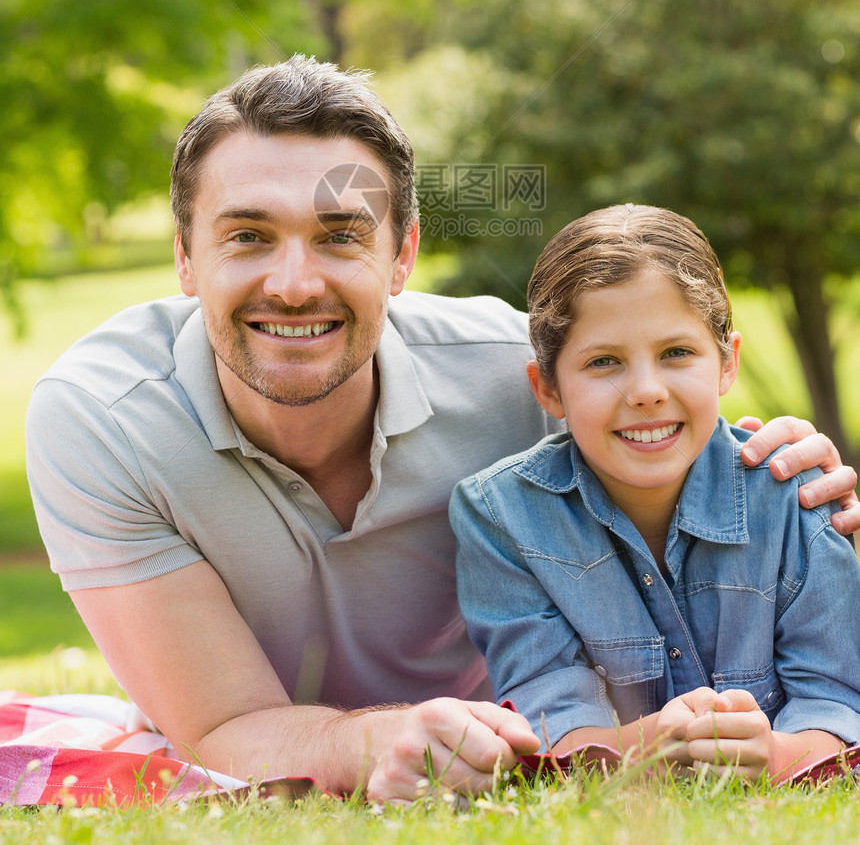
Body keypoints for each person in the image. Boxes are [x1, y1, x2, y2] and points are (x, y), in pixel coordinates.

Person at [25, 58, 860, 802]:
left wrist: (779, 468)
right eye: (247, 236)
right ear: (182, 257)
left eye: (339, 237)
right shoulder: (102, 421)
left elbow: (666, 428)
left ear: (402, 256)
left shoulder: (515, 375)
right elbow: (220, 728)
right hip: (339, 733)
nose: (292, 282)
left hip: (519, 728)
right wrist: (371, 741)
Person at [451, 205, 860, 780]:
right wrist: (659, 741)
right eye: (604, 361)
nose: (646, 391)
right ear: (547, 387)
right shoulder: (500, 516)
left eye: (676, 353)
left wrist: (775, 755)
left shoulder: (796, 497)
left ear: (726, 362)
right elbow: (552, 720)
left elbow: (837, 703)